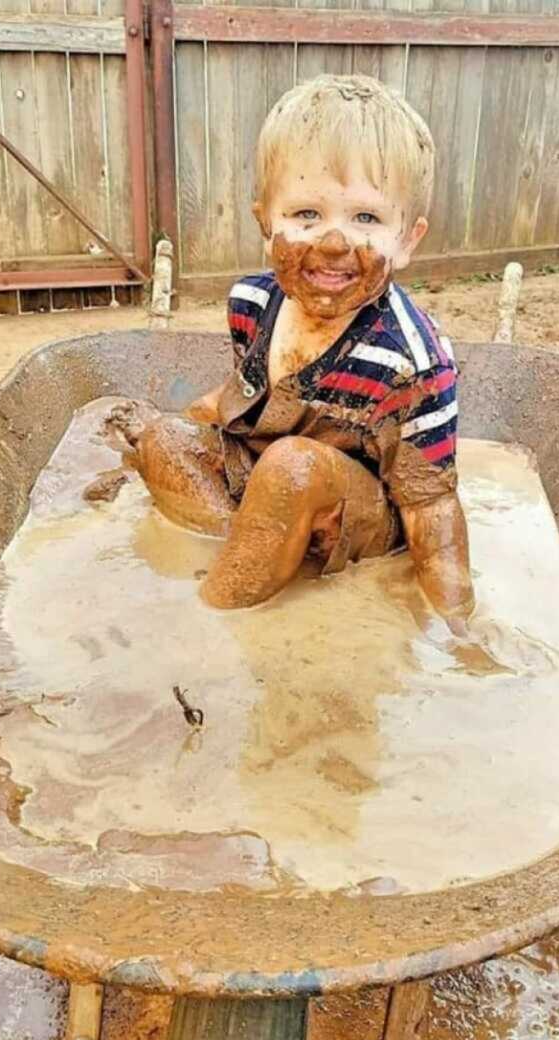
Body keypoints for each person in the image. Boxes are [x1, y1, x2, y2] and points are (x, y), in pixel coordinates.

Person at [123, 73, 476, 632]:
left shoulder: (412, 362)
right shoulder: (251, 302)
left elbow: (430, 506)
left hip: (355, 516)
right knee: (165, 439)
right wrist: (164, 437)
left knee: (291, 464)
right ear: (266, 221)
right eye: (306, 215)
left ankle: (211, 622)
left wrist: (459, 625)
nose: (333, 242)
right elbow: (242, 396)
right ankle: (240, 553)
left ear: (406, 240)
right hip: (265, 475)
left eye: (365, 219)